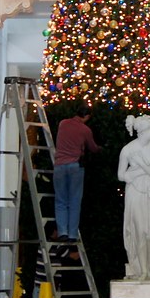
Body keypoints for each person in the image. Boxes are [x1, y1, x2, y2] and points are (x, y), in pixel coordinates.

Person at [117, 114, 150, 279]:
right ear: (143, 131)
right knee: (139, 232)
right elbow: (121, 176)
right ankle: (142, 270)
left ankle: (149, 268)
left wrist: (141, 165)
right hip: (135, 193)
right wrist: (143, 170)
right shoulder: (128, 150)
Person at [53, 105, 101, 252]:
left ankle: (62, 232)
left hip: (59, 165)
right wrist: (100, 149)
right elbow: (92, 147)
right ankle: (73, 234)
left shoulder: (63, 123)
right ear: (86, 117)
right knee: (74, 200)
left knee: (61, 200)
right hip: (75, 166)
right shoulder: (85, 130)